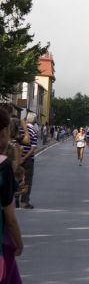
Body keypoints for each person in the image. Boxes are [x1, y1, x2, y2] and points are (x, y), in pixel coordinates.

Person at [0, 108, 23, 284]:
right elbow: (10, 218)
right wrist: (19, 242)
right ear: (4, 132)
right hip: (3, 242)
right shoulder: (3, 165)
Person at [19, 113, 38, 209]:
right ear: (34, 121)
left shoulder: (20, 129)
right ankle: (24, 201)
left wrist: (19, 157)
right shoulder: (33, 131)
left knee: (17, 179)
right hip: (28, 159)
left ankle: (15, 201)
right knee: (27, 180)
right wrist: (25, 157)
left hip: (17, 158)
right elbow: (33, 147)